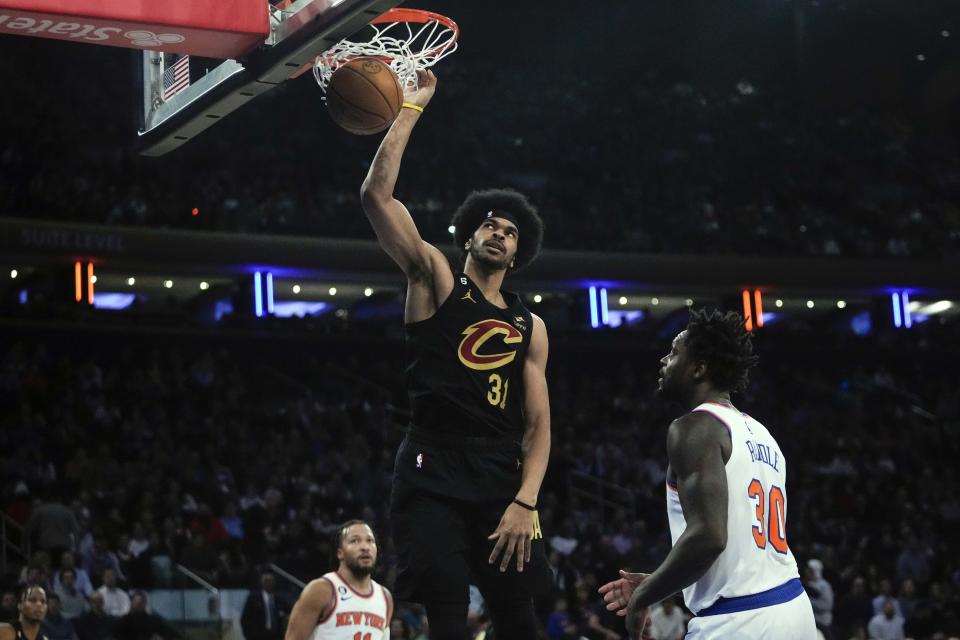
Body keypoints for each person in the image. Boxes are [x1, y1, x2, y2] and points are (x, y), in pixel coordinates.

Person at [359, 69, 552, 640]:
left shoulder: (531, 325)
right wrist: (410, 109)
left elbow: (539, 426)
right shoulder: (436, 277)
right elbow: (376, 196)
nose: (498, 233)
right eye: (489, 225)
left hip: (500, 474)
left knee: (520, 621)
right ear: (468, 235)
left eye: (510, 232)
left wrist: (526, 499)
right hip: (431, 465)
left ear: (518, 254)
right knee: (446, 618)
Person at [599, 310, 817, 639]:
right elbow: (737, 554)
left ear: (699, 369)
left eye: (673, 353)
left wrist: (643, 598)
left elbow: (709, 537)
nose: (664, 360)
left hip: (740, 622)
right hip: (794, 610)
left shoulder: (694, 428)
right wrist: (658, 582)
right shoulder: (762, 434)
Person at [283, 520, 391, 640]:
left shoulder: (385, 597)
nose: (365, 547)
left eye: (370, 540)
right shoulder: (321, 590)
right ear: (340, 553)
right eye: (355, 541)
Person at [112, 592, 179, 640]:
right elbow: (115, 635)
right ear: (131, 603)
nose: (138, 605)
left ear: (145, 604)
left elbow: (170, 634)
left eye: (141, 603)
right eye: (136, 603)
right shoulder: (124, 620)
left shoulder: (153, 620)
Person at [241, 572, 285, 640]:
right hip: (257, 636)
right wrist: (248, 635)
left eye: (272, 581)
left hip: (275, 636)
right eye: (267, 581)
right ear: (262, 583)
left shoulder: (278, 599)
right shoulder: (253, 598)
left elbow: (282, 616)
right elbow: (244, 618)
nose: (270, 583)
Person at [804, 559, 834, 639]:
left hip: (823, 623)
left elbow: (827, 605)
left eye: (809, 570)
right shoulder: (806, 584)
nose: (806, 572)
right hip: (810, 623)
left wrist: (809, 602)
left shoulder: (824, 585)